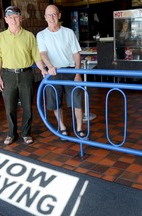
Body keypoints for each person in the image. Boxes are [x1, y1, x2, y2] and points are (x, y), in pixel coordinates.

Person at [0, 6, 47, 145]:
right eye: (10, 17)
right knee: (10, 108)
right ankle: (11, 133)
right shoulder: (0, 37)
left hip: (26, 74)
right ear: (6, 20)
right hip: (8, 76)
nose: (13, 20)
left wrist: (43, 69)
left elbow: (36, 56)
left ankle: (26, 133)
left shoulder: (29, 36)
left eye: (16, 17)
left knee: (27, 106)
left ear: (20, 18)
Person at [36, 4, 86, 139]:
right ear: (45, 17)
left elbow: (76, 53)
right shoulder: (41, 35)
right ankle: (62, 126)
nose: (52, 18)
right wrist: (49, 66)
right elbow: (43, 54)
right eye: (49, 15)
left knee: (77, 101)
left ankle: (80, 128)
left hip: (70, 71)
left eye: (54, 14)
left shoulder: (68, 32)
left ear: (59, 15)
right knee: (55, 103)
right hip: (53, 73)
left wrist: (78, 73)